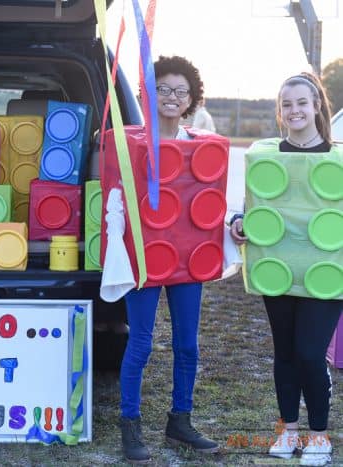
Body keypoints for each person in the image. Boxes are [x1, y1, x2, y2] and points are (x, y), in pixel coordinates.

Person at [230, 72, 341, 467]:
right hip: (277, 271)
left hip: (325, 272)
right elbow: (253, 206)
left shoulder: (338, 160)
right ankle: (289, 430)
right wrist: (239, 223)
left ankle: (319, 436)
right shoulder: (267, 157)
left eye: (301, 103)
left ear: (316, 107)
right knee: (286, 354)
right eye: (286, 104)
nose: (294, 110)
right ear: (280, 112)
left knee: (311, 353)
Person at [118, 55, 219, 464]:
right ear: (148, 92)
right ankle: (131, 424)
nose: (172, 97)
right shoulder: (131, 143)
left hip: (187, 259)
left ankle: (180, 421)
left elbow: (211, 201)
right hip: (146, 257)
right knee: (140, 343)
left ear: (192, 98)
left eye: (181, 91)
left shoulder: (202, 147)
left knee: (188, 346)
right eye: (163, 88)